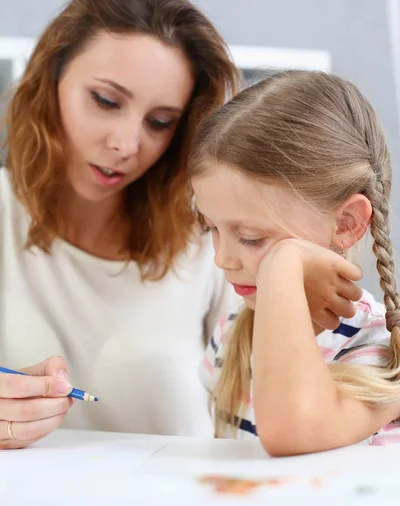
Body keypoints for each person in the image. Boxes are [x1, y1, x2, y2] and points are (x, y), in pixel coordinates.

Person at [0, 0, 244, 449]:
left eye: (160, 122)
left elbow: (263, 416)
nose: (127, 144)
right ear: (49, 82)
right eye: (106, 101)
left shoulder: (214, 236)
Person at [188, 69, 400, 456]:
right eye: (210, 228)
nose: (222, 258)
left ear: (347, 223)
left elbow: (291, 431)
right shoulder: (232, 331)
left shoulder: (383, 354)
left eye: (252, 238)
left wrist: (281, 264)